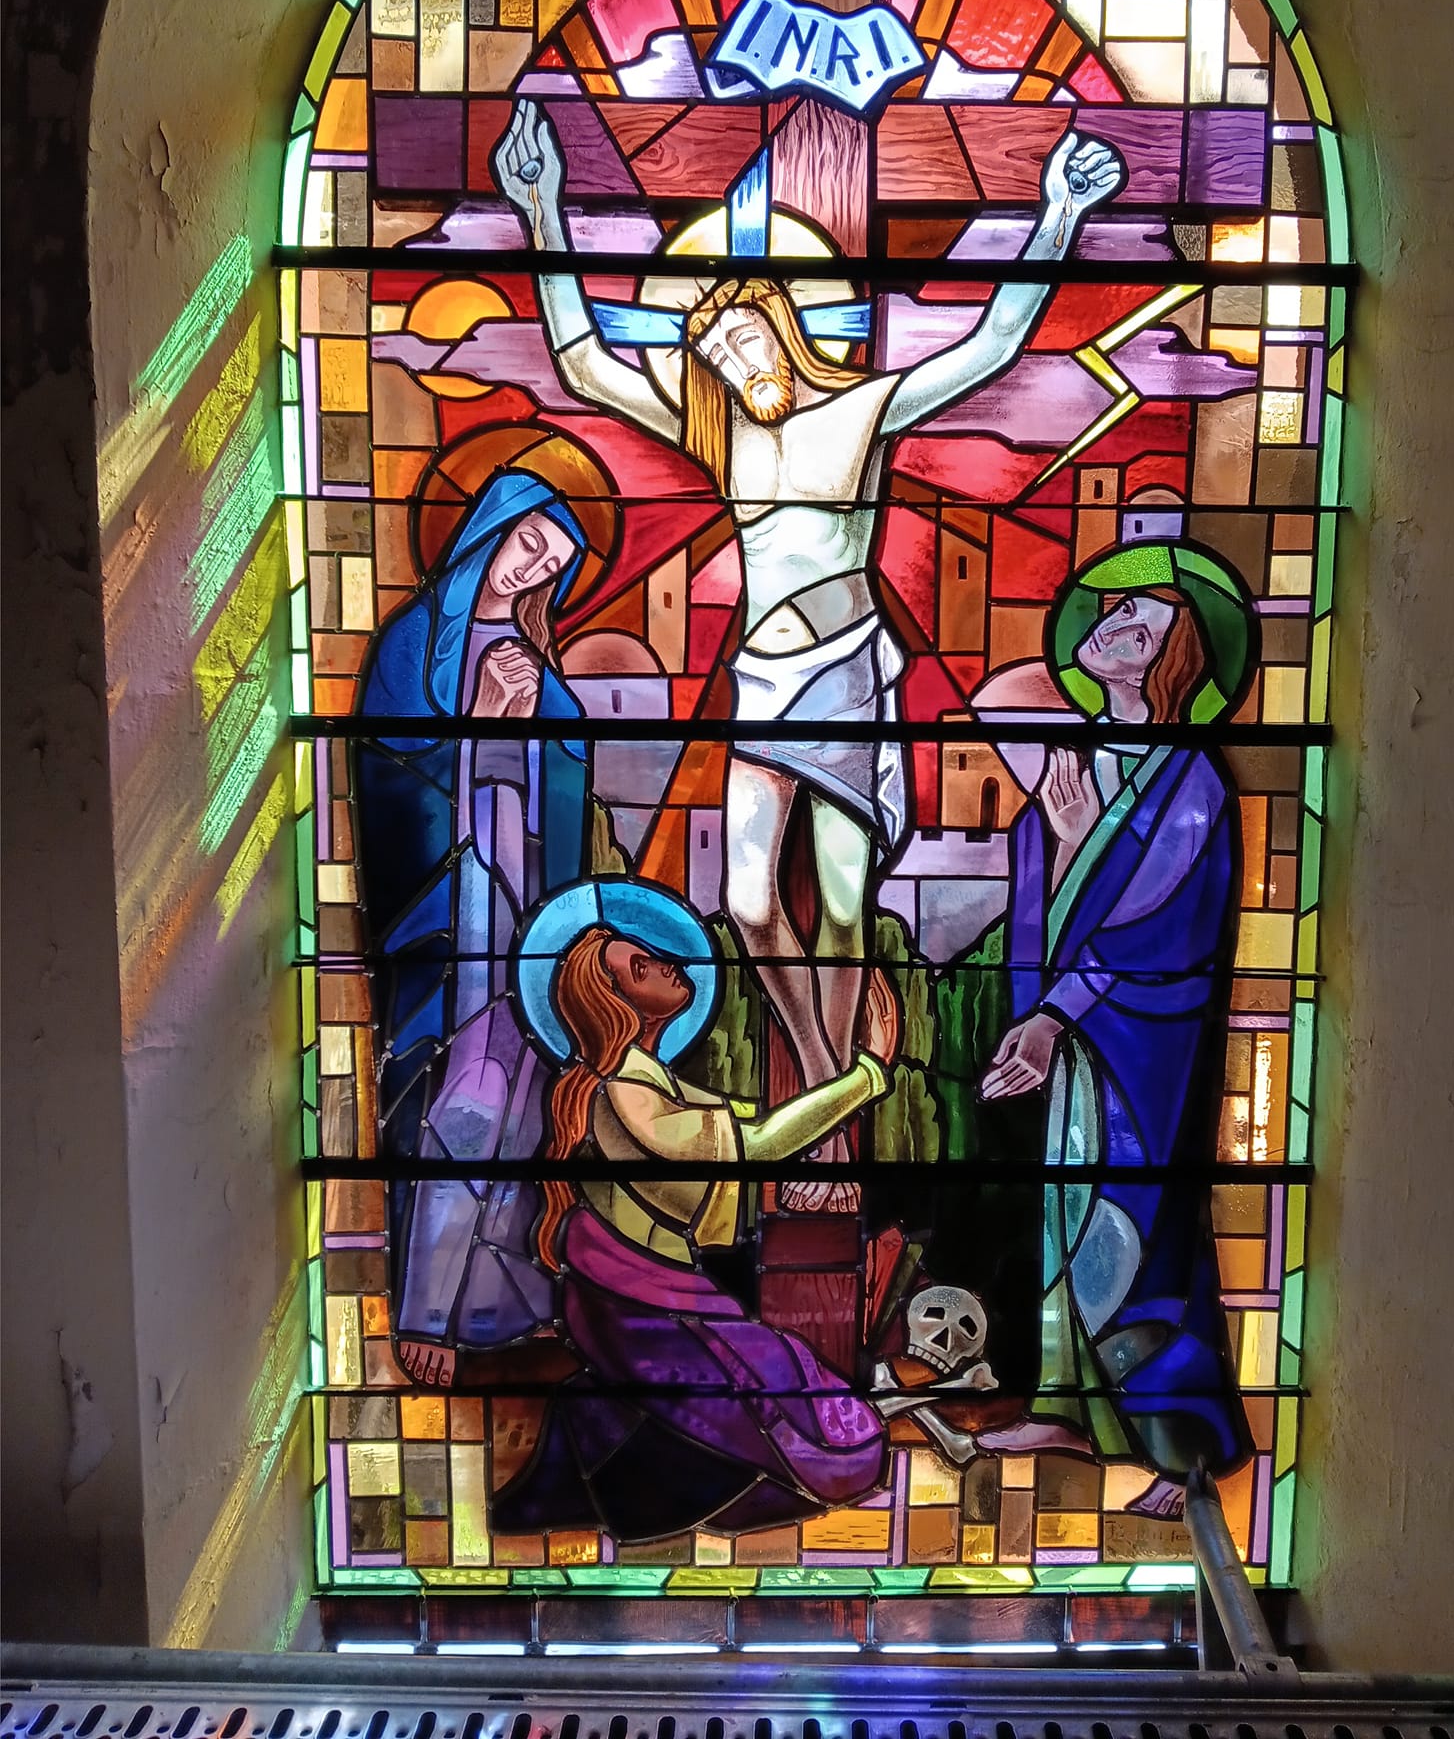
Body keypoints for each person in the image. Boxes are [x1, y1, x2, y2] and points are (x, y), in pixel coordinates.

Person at [493, 100, 1125, 1210]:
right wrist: (540, 208)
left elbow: (989, 348)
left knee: (839, 911)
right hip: (761, 678)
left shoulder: (860, 413)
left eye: (744, 339)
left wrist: (1059, 217)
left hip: (843, 674)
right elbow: (587, 364)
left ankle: (833, 1134)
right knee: (748, 904)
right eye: (714, 353)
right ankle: (834, 1076)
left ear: (785, 328)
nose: (733, 361)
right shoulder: (724, 437)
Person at [976, 546, 1258, 1515]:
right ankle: (1066, 1402)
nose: (1112, 627)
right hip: (1074, 1039)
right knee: (1065, 1214)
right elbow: (1040, 910)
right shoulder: (1074, 761)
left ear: (1172, 661)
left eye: (1141, 626)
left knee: (1142, 1228)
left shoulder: (1193, 780)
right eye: (1114, 611)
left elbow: (1163, 930)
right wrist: (1061, 841)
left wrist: (1059, 1012)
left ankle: (1184, 1446)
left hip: (1144, 1045)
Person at [489, 878, 900, 1540]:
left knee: (814, 1406)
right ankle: (623, 1474)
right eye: (640, 966)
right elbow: (758, 1146)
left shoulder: (655, 1084)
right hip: (641, 1317)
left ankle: (602, 1449)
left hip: (668, 1302)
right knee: (827, 1444)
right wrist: (868, 1074)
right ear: (614, 1001)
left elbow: (759, 1125)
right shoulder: (626, 1096)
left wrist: (836, 1081)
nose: (665, 963)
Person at [353, 467, 591, 1387]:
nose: (531, 571)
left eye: (551, 567)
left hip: (521, 896)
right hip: (449, 911)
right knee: (454, 1092)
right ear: (489, 526)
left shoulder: (534, 657)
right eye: (527, 543)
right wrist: (481, 720)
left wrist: (534, 725)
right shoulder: (413, 643)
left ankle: (503, 1305)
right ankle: (425, 1309)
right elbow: (391, 771)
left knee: (526, 1090)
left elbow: (570, 760)